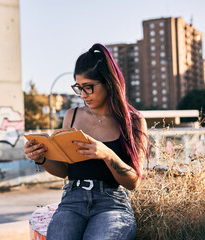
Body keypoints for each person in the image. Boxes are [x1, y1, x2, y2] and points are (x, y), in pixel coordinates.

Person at [24, 43, 149, 240]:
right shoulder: (72, 116)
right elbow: (65, 171)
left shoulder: (133, 122)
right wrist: (41, 158)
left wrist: (106, 154)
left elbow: (133, 182)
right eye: (78, 88)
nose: (83, 95)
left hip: (111, 204)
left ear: (108, 83)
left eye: (88, 87)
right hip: (72, 200)